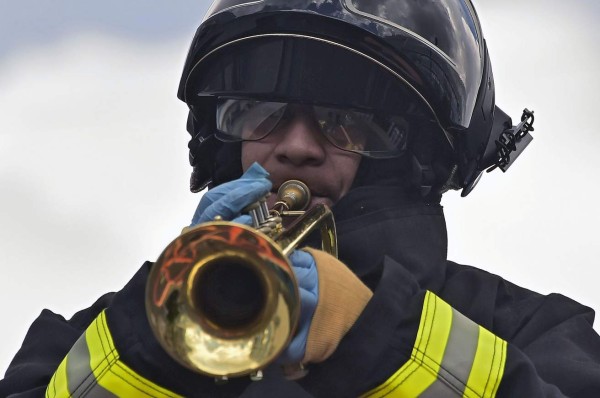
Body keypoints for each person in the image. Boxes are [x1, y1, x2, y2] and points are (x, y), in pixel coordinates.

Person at [2, 0, 600, 396]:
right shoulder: (100, 336)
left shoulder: (530, 331)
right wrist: (156, 345)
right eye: (260, 114)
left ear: (415, 155)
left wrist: (384, 340)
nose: (294, 148)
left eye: (344, 120)